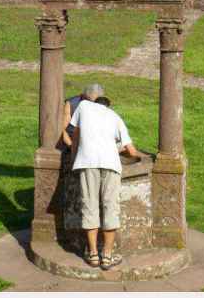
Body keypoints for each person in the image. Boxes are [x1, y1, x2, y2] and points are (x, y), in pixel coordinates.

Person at [69, 95, 142, 270]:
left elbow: (75, 136)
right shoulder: (116, 117)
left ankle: (93, 255)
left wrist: (73, 158)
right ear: (109, 106)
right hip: (111, 164)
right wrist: (140, 156)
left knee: (90, 206)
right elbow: (132, 151)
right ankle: (107, 256)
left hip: (87, 162)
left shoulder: (84, 106)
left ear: (95, 103)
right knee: (111, 207)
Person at [62, 83, 104, 148]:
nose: (92, 104)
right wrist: (72, 146)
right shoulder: (71, 104)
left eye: (95, 102)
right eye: (89, 101)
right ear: (83, 96)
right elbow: (62, 130)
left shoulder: (101, 105)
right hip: (72, 141)